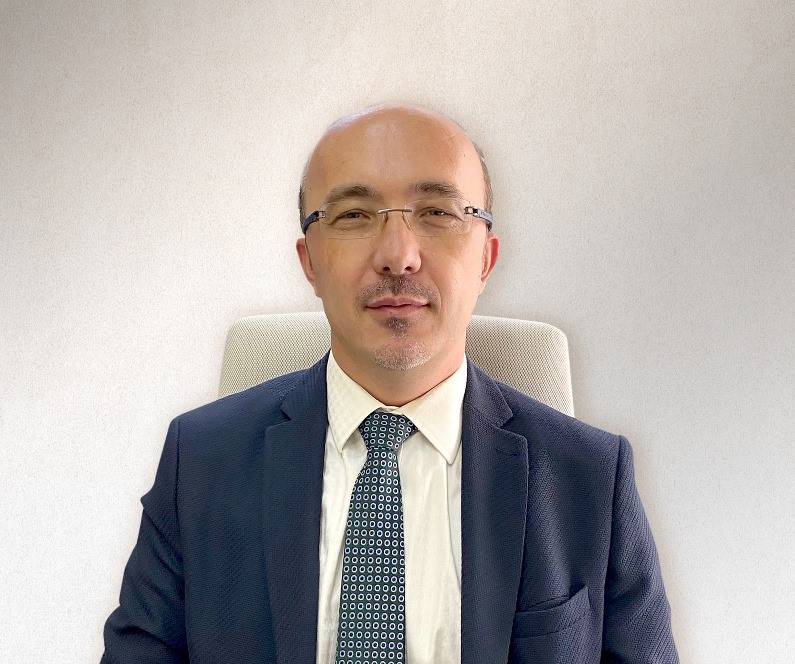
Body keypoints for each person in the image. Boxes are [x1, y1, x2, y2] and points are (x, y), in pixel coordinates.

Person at [100, 103, 679, 663]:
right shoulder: (200, 464)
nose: (399, 256)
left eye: (438, 213)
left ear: (485, 259)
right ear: (309, 261)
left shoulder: (591, 479)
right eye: (354, 215)